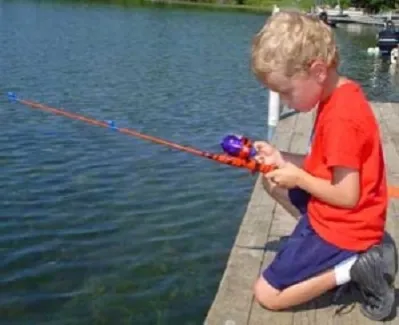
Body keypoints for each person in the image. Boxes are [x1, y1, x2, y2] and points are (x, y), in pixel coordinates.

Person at [250, 10, 397, 321]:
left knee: (267, 295)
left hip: (347, 224)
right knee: (272, 179)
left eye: (287, 92)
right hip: (345, 215)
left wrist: (299, 178)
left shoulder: (342, 117)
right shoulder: (337, 95)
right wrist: (280, 158)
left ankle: (353, 267)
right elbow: (325, 164)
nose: (286, 102)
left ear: (317, 71)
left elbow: (346, 195)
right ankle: (329, 251)